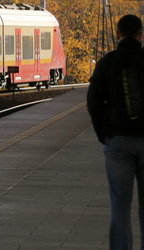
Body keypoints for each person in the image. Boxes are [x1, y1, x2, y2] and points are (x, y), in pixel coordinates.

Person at [88, 14, 144, 250]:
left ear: (118, 35)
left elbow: (93, 101)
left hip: (117, 142)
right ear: (141, 35)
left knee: (120, 204)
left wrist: (105, 134)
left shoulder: (107, 62)